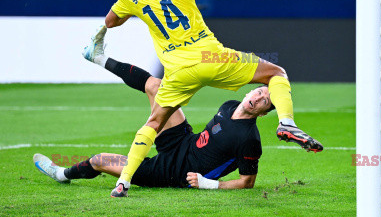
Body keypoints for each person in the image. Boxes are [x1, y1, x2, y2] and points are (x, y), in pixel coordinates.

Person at [82, 0, 323, 197]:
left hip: (177, 70)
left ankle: (123, 183)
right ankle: (286, 121)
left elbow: (111, 21)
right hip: (210, 57)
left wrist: (111, 26)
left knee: (153, 123)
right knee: (276, 72)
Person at [34, 52, 282, 190]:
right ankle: (98, 56)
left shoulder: (249, 139)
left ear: (263, 113)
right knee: (157, 86)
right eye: (259, 92)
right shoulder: (229, 106)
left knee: (100, 160)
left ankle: (61, 173)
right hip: (182, 141)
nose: (259, 98)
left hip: (172, 173)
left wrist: (209, 185)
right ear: (250, 90)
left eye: (265, 102)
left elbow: (247, 182)